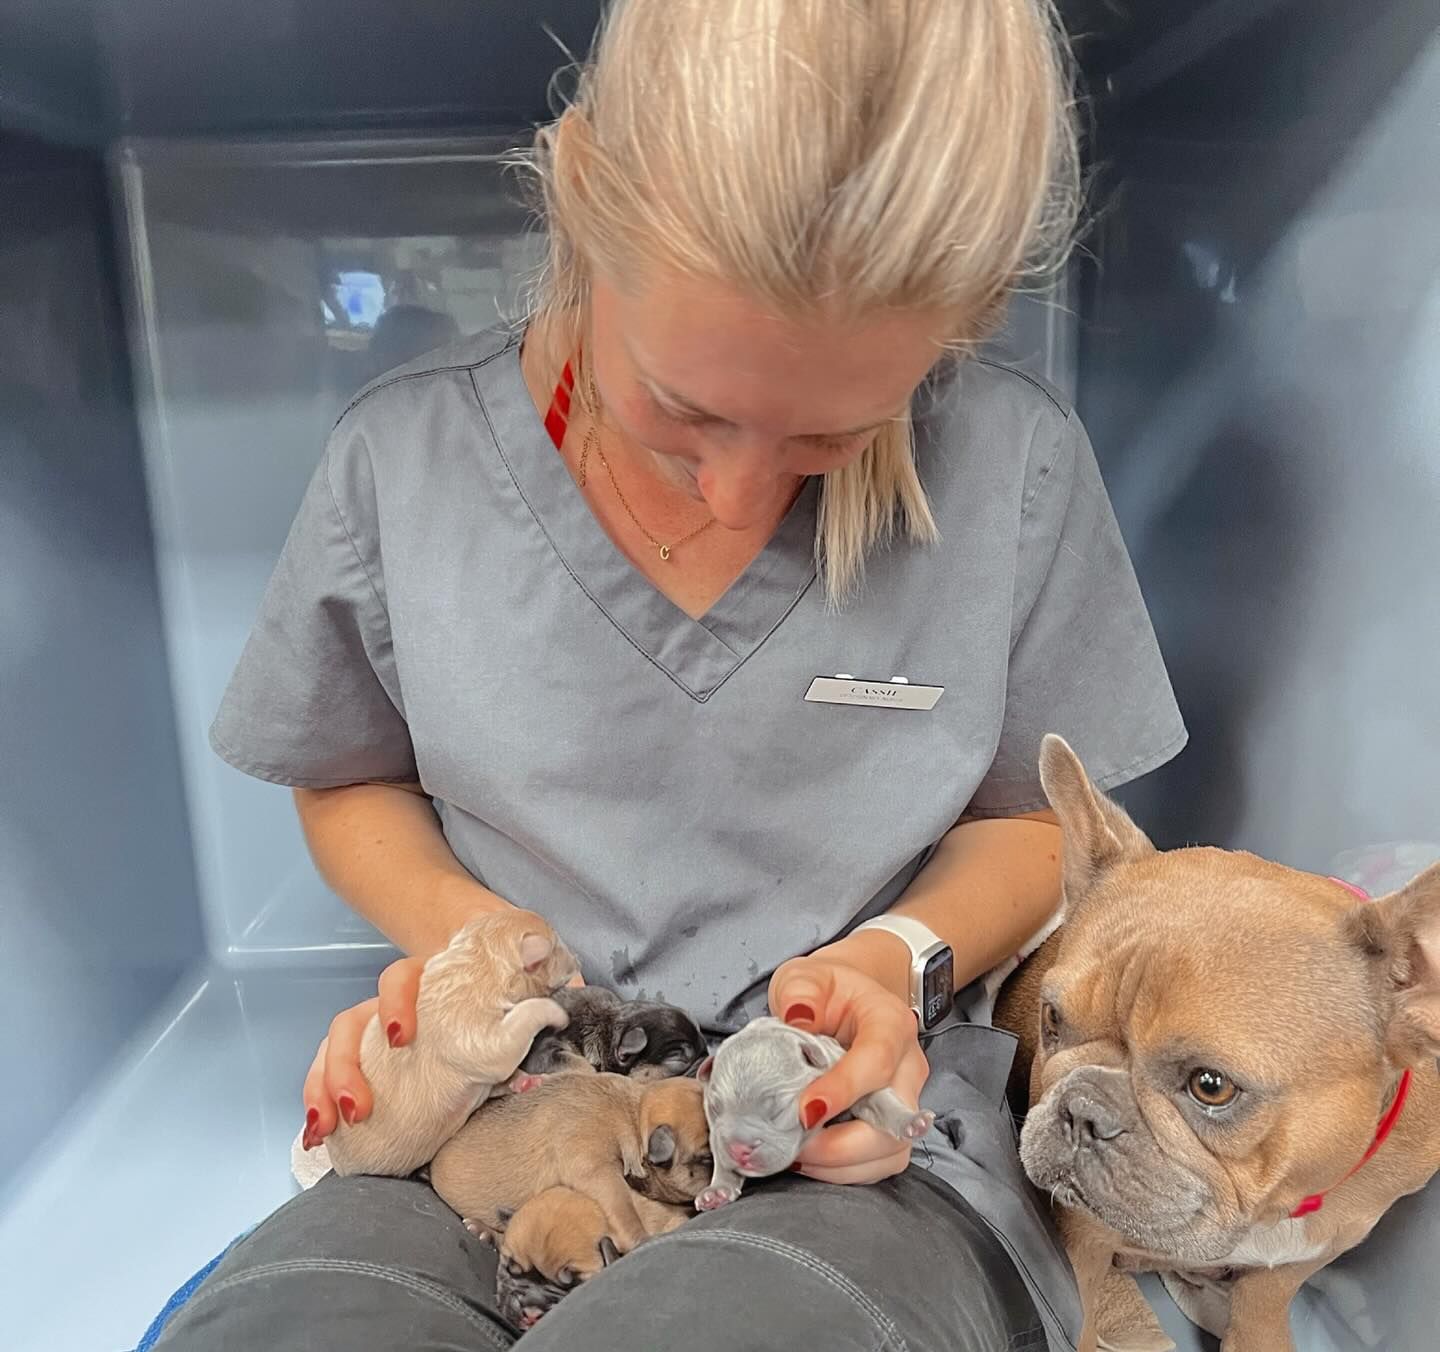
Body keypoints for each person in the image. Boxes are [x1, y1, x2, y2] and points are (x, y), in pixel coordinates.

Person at [163, 2, 1186, 1349]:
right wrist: (467, 953)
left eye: (833, 437)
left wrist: (892, 963)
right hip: (498, 1113)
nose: (739, 493)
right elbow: (348, 778)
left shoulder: (1016, 474)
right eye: (684, 410)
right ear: (585, 199)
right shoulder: (401, 467)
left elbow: (1040, 823)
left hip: (859, 1148)